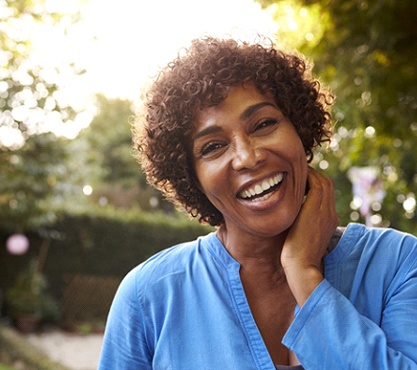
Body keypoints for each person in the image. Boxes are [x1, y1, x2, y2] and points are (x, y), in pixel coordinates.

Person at [98, 36, 417, 369]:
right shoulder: (149, 296)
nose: (247, 157)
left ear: (299, 128)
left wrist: (304, 274)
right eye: (212, 147)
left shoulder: (397, 264)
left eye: (264, 124)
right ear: (192, 178)